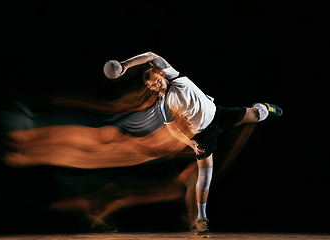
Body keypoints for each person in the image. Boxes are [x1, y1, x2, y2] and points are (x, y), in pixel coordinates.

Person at [118, 52, 282, 237]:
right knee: (205, 175)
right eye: (150, 85)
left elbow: (150, 55)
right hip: (202, 134)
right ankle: (201, 220)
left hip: (218, 114)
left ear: (161, 74)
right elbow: (173, 130)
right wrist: (190, 143)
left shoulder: (176, 77)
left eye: (155, 80)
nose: (155, 85)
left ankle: (263, 107)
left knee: (259, 115)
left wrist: (125, 65)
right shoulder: (163, 105)